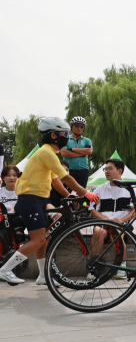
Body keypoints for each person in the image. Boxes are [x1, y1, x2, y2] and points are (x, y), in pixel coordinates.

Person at [0, 118, 99, 285]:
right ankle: (4, 270)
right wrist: (86, 193)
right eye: (64, 134)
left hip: (38, 199)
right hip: (30, 199)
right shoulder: (46, 152)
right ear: (53, 135)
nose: (66, 138)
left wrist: (69, 195)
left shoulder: (49, 153)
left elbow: (56, 181)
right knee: (38, 239)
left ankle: (43, 276)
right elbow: (66, 177)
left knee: (44, 238)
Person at [88, 158, 136, 281]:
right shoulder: (99, 189)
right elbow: (93, 211)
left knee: (117, 234)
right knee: (98, 231)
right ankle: (94, 267)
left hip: (120, 224)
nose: (106, 171)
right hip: (103, 223)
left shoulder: (131, 189)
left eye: (110, 168)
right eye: (105, 169)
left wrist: (122, 220)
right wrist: (105, 219)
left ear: (119, 171)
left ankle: (121, 268)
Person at [60, 116, 93, 188]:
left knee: (81, 193)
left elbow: (89, 151)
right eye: (77, 125)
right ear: (71, 126)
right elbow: (64, 153)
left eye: (82, 126)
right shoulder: (66, 139)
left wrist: (72, 149)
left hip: (83, 170)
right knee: (67, 193)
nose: (79, 128)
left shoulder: (87, 140)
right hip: (69, 170)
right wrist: (82, 153)